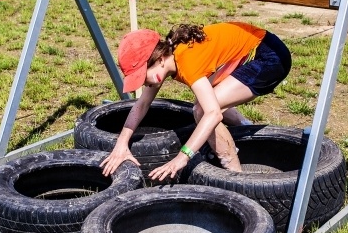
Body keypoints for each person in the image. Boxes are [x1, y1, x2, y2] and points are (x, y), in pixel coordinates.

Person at [100, 22, 291, 182]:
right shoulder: (168, 59)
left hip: (268, 57)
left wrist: (182, 157)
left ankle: (235, 176)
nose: (142, 83)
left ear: (159, 59)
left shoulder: (187, 62)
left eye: (142, 76)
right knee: (206, 99)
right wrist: (121, 143)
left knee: (202, 110)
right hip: (251, 49)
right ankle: (246, 129)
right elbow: (141, 105)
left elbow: (213, 113)